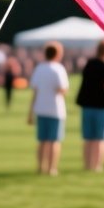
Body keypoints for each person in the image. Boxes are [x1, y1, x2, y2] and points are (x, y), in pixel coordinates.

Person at [77, 40, 104, 172]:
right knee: (100, 139)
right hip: (102, 106)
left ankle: (87, 165)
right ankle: (97, 166)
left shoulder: (89, 64)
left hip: (87, 105)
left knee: (88, 138)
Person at [28, 42, 69, 176]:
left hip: (41, 108)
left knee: (42, 141)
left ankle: (41, 167)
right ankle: (52, 168)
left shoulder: (39, 68)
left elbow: (35, 91)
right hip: (55, 109)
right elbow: (62, 89)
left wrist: (30, 112)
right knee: (54, 141)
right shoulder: (58, 69)